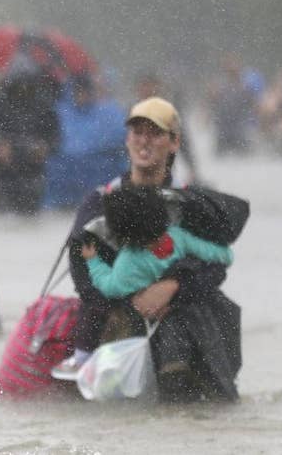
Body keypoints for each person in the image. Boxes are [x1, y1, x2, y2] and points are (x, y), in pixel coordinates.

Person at [52, 97, 243, 402]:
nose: (144, 141)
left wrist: (173, 288)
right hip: (117, 319)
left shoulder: (191, 204)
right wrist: (129, 302)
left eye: (155, 133)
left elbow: (215, 268)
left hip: (182, 317)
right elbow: (82, 270)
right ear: (127, 141)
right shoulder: (99, 201)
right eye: (137, 132)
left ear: (174, 142)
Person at [82, 186, 233, 299]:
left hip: (152, 323)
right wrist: (225, 253)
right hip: (187, 311)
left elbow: (111, 288)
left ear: (118, 230)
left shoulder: (129, 261)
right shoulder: (177, 237)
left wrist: (93, 261)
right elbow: (217, 254)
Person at [0, 56, 60, 215]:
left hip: (34, 172)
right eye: (19, 84)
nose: (23, 89)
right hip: (4, 172)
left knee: (31, 222)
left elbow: (55, 136)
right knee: (5, 220)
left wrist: (44, 146)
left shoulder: (43, 105)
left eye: (28, 84)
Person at [43, 74, 127, 209]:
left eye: (85, 91)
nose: (81, 95)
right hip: (65, 165)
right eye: (78, 91)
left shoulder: (107, 111)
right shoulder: (60, 112)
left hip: (97, 164)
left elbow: (117, 138)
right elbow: (53, 137)